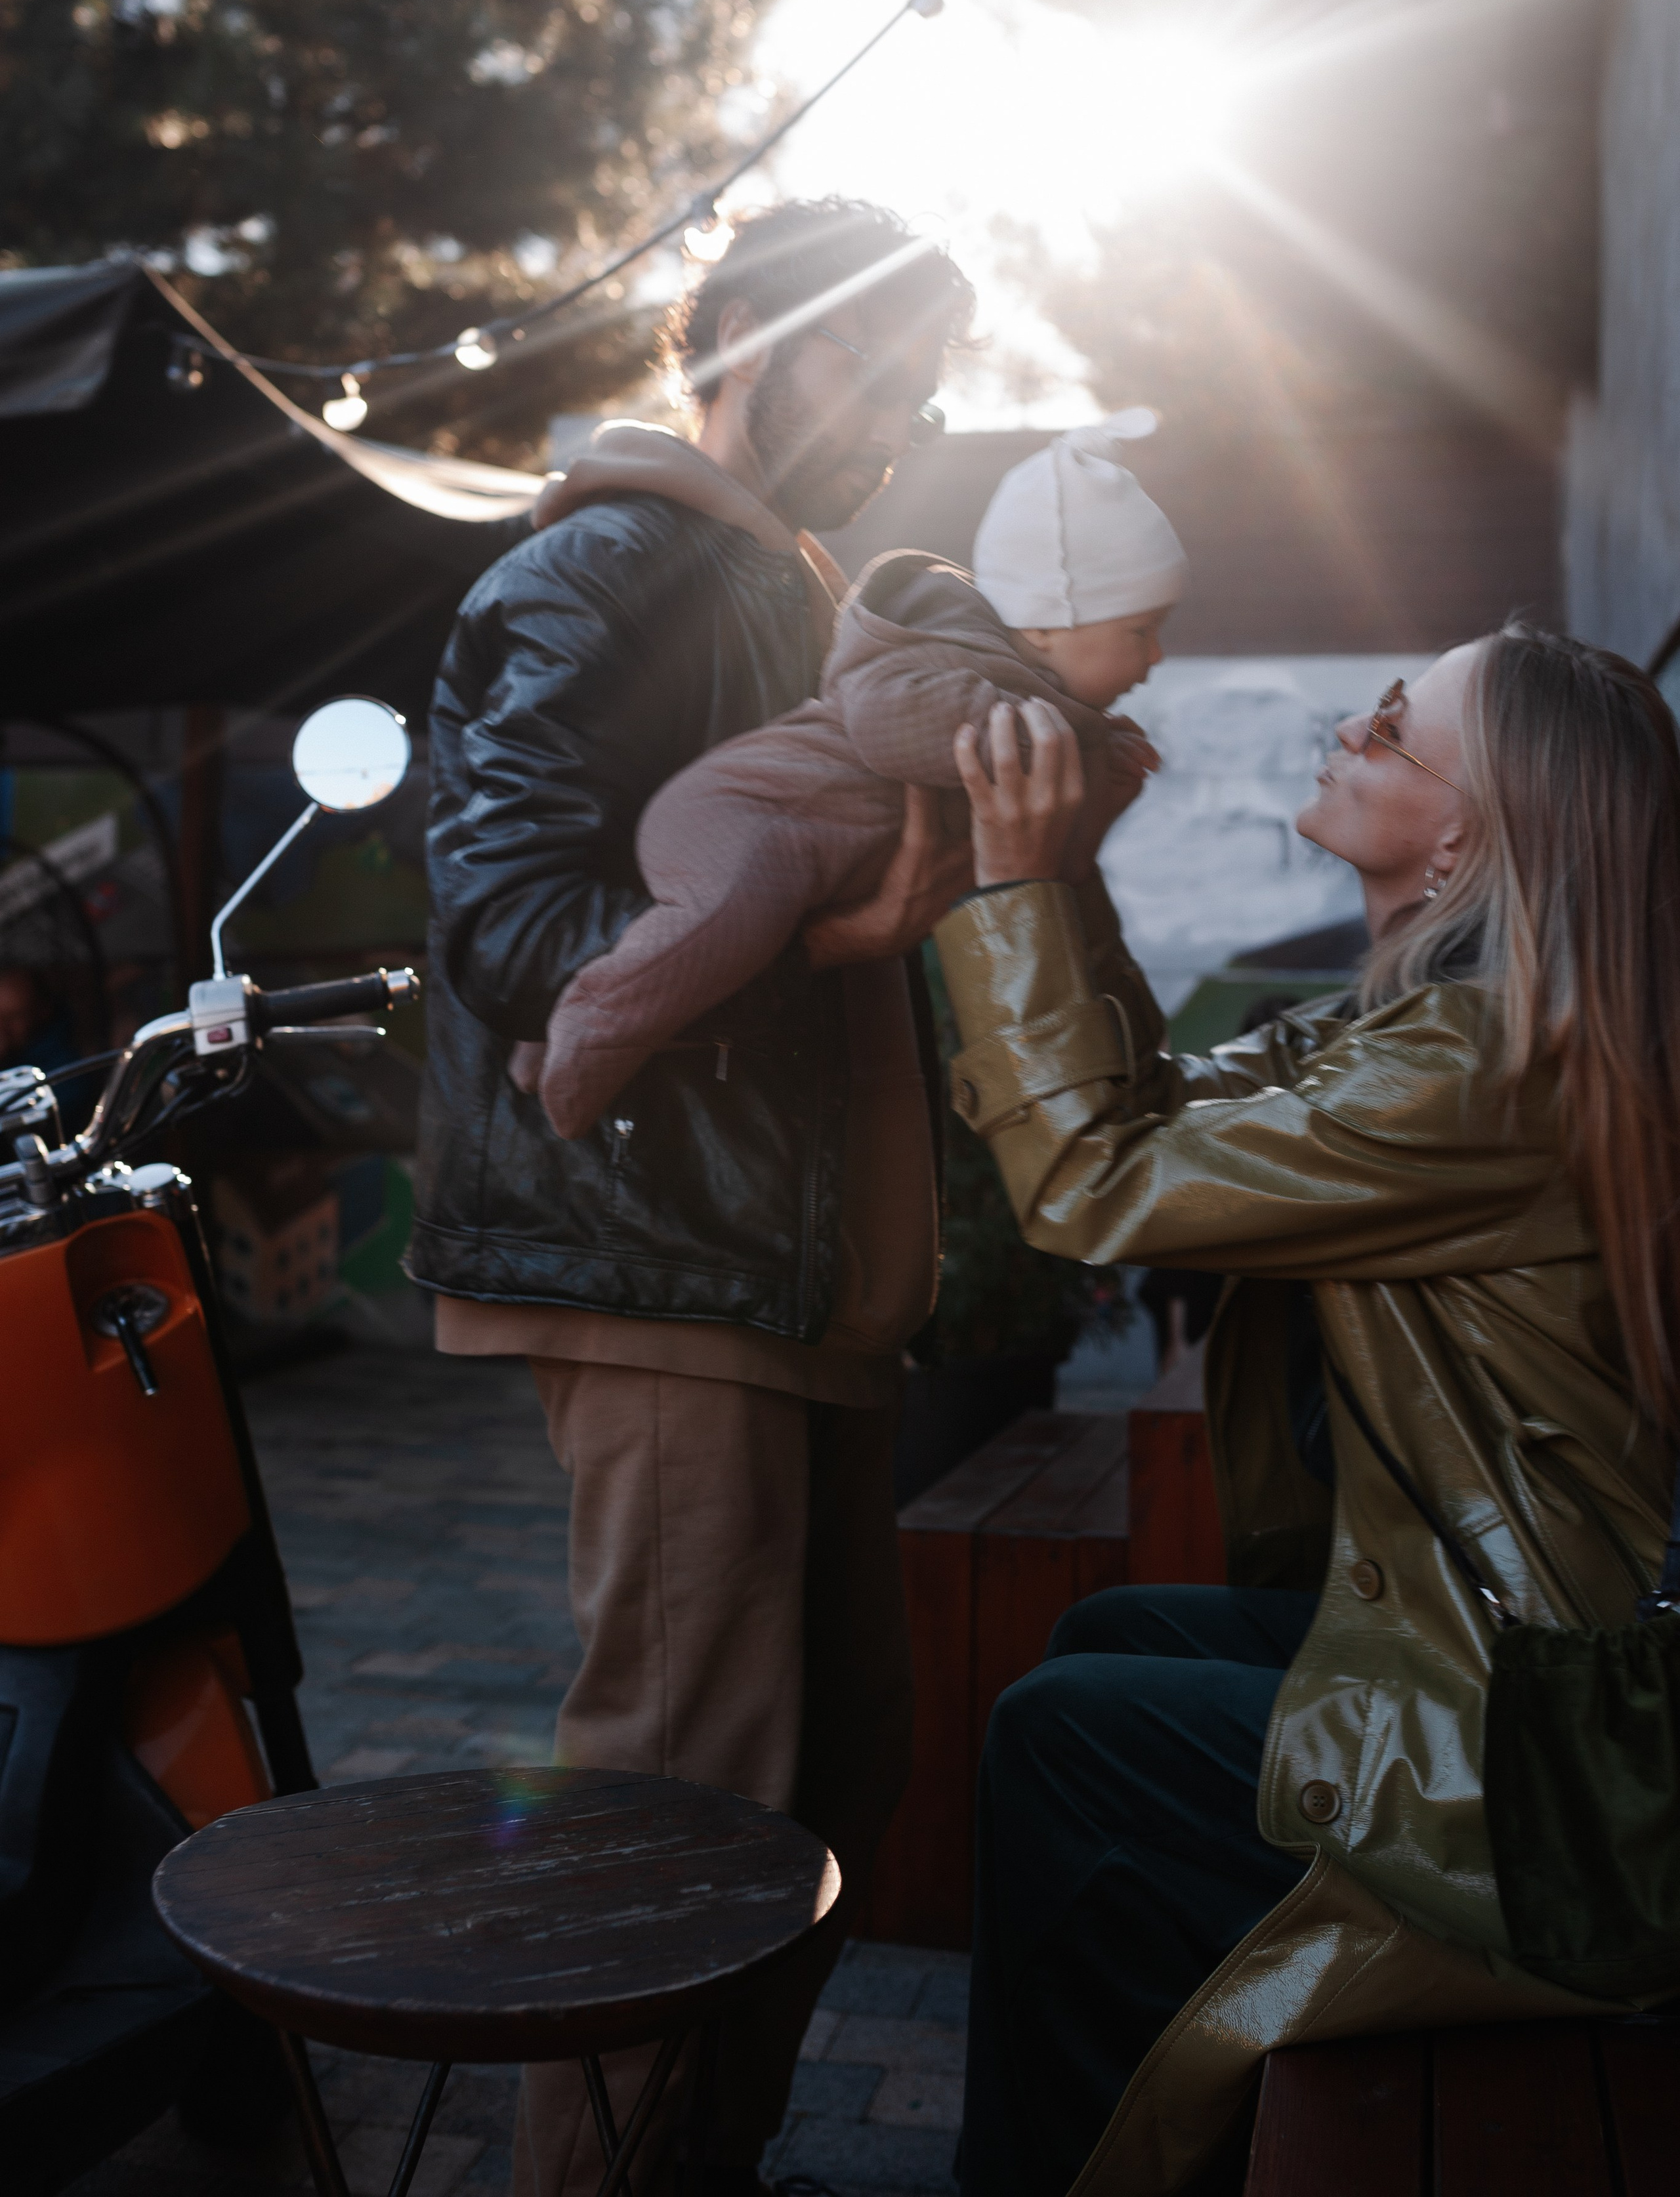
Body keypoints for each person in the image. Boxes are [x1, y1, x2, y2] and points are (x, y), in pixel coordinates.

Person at [931, 628, 1678, 2197]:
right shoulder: (1436, 1022)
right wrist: (1062, 879)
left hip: (1563, 1770)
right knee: (1098, 1642)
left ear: (1471, 829)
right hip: (1521, 1663)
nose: (1349, 723)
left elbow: (1092, 1180)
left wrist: (1004, 882)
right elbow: (1165, 1108)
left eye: (1395, 726)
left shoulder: (1485, 1063)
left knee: (1057, 1742)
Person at [410, 198, 980, 2197]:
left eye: (922, 386)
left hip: (803, 1273)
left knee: (834, 1774)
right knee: (683, 1786)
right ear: (736, 330)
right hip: (659, 1252)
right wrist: (834, 930)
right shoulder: (601, 570)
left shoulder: (802, 595)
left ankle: (699, 2158)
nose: (895, 417)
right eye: (863, 365)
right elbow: (510, 928)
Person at [517, 416, 1183, 1138]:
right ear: (1050, 623)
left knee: (705, 946)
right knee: (711, 935)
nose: (1153, 659)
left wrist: (1095, 791)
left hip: (803, 851)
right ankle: (584, 1050)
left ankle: (539, 1034)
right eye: (1138, 631)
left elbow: (1040, 872)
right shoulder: (944, 656)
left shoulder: (1033, 698)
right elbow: (888, 724)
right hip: (747, 818)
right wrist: (1054, 742)